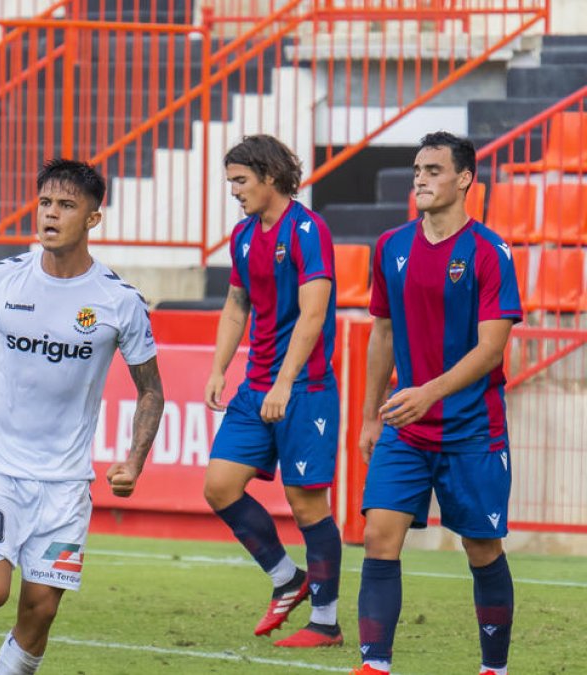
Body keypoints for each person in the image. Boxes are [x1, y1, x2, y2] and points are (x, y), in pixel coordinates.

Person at [0, 158, 165, 675]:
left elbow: (151, 390)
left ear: (93, 218)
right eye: (45, 202)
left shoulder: (118, 302)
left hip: (65, 483)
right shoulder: (0, 282)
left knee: (39, 613)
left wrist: (134, 461)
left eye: (66, 205)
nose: (50, 214)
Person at [351, 132, 521, 675]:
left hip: (472, 429)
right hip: (405, 426)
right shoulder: (391, 246)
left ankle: (494, 667)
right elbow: (381, 333)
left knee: (481, 549)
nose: (419, 179)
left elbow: (492, 349)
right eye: (416, 169)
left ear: (465, 178)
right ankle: (375, 665)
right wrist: (369, 416)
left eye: (433, 170)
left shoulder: (489, 252)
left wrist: (429, 392)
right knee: (379, 535)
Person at [202, 134, 344, 647]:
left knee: (307, 505)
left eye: (240, 180)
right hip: (255, 386)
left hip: (303, 387)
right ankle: (287, 579)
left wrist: (285, 382)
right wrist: (220, 369)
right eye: (231, 181)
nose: (234, 190)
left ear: (269, 176)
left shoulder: (309, 231)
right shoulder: (243, 235)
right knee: (219, 486)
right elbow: (237, 303)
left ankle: (325, 621)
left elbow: (314, 312)